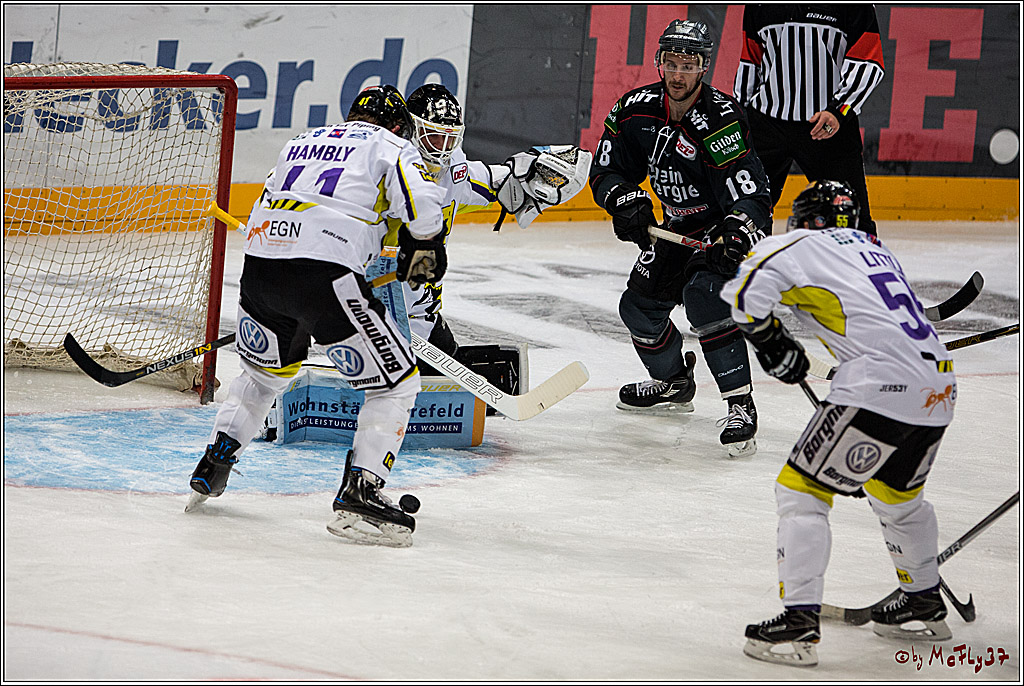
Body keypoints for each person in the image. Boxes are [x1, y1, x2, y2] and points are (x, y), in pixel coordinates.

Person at [187, 85, 448, 547]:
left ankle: (217, 459)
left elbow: (270, 200)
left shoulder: (301, 141)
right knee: (396, 384)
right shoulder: (390, 145)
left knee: (264, 376)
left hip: (261, 270)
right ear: (398, 125)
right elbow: (422, 208)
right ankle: (361, 492)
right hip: (324, 276)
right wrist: (425, 246)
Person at [721, 180, 955, 667]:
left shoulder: (799, 242)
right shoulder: (874, 249)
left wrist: (773, 345)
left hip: (877, 387)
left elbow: (743, 295)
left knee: (800, 490)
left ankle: (798, 621)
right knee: (898, 497)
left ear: (806, 218)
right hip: (938, 387)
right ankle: (923, 598)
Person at [589, 19, 773, 457]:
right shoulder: (635, 109)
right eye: (671, 62)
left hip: (720, 227)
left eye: (687, 64)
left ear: (703, 68)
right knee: (638, 309)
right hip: (675, 229)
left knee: (704, 297)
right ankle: (674, 383)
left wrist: (737, 227)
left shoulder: (720, 119)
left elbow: (751, 189)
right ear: (660, 62)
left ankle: (740, 404)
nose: (677, 74)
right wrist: (624, 200)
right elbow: (606, 170)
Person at [398, 83, 592, 378]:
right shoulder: (388, 172)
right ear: (412, 130)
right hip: (382, 317)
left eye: (449, 139)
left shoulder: (452, 174)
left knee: (452, 391)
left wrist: (532, 175)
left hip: (422, 318)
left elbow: (492, 182)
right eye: (434, 136)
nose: (442, 148)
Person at [733, 5, 885, 236]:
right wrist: (740, 118)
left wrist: (838, 110)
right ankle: (746, 270)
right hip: (766, 124)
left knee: (853, 218)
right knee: (747, 211)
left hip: (829, 126)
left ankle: (861, 268)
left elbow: (869, 62)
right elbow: (751, 61)